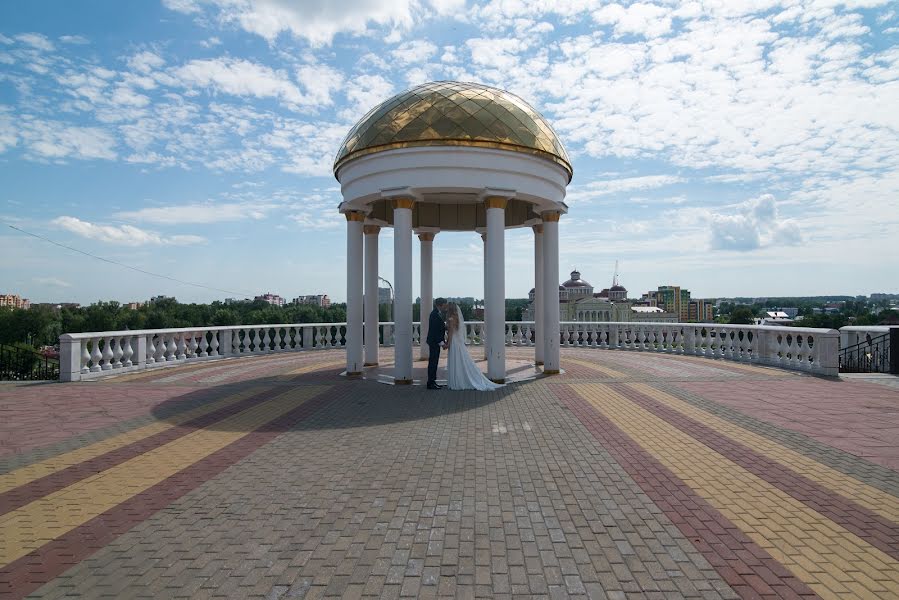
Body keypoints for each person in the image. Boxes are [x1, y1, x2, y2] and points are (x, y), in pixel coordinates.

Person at [445, 303, 503, 391]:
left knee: (456, 360)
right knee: (460, 360)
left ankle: (457, 380)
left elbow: (451, 333)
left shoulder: (450, 319)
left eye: (448, 307)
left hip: (454, 342)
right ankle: (459, 378)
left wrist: (448, 343)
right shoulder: (456, 319)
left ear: (450, 309)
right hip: (458, 343)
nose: (446, 308)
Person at [426, 298, 448, 389]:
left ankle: (432, 381)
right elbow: (435, 331)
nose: (445, 307)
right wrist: (442, 343)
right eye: (444, 305)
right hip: (434, 342)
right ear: (440, 305)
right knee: (433, 363)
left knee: (434, 362)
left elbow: (440, 328)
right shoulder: (435, 314)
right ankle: (431, 383)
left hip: (434, 342)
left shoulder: (436, 313)